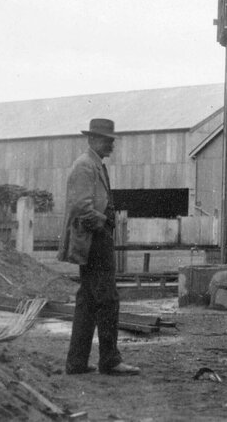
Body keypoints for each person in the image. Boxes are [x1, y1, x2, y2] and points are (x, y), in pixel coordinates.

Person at [58, 118, 139, 376]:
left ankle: (77, 362)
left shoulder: (95, 165)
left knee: (88, 301)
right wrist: (104, 222)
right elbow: (81, 207)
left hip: (96, 238)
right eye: (107, 139)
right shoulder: (85, 166)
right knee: (107, 299)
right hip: (94, 239)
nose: (111, 144)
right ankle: (110, 361)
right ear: (92, 140)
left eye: (112, 140)